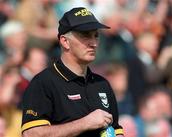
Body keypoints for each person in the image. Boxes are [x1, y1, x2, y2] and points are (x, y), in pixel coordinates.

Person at [21, 7, 124, 137]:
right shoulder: (43, 83)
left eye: (96, 35)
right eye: (86, 35)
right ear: (65, 41)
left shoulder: (102, 84)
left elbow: (115, 130)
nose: (94, 43)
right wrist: (85, 123)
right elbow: (31, 134)